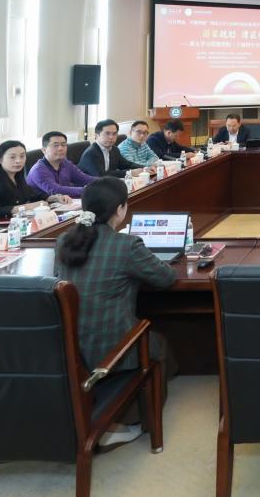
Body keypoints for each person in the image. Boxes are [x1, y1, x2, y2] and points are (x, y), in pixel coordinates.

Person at [54, 178, 178, 448]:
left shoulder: (64, 240)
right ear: (121, 210)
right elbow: (166, 278)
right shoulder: (126, 245)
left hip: (69, 346)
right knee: (159, 344)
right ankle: (130, 421)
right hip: (110, 349)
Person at [0, 140, 71, 220]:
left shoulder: (18, 177)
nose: (18, 161)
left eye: (22, 156)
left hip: (21, 221)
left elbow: (34, 196)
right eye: (12, 157)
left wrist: (55, 198)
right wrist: (26, 207)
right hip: (1, 226)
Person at [26, 131, 98, 198]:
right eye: (55, 145)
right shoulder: (38, 170)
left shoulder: (65, 163)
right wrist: (87, 190)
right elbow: (56, 190)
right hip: (42, 206)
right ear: (44, 150)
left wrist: (103, 182)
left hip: (65, 203)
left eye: (63, 145)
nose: (60, 148)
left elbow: (84, 179)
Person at [79, 119, 145, 178]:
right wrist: (129, 173)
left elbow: (126, 164)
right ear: (97, 135)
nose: (111, 137)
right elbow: (100, 175)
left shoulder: (114, 149)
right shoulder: (91, 154)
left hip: (107, 183)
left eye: (114, 134)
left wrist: (144, 168)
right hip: (88, 186)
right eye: (107, 133)